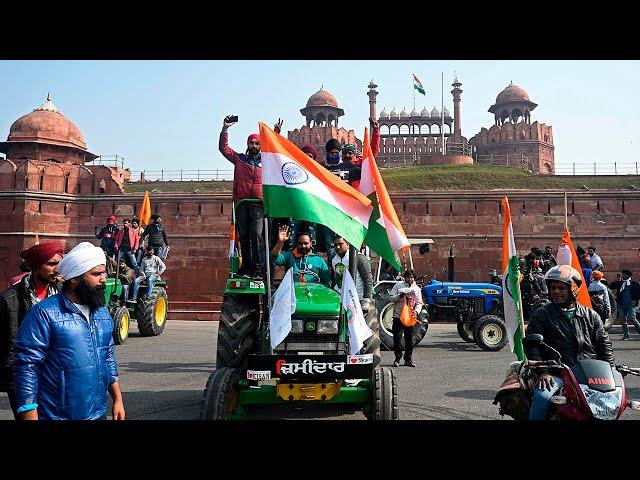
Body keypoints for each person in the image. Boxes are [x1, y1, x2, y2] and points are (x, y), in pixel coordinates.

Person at [13, 242, 125, 420]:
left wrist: (118, 399)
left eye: (103, 272)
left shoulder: (102, 313)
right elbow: (27, 366)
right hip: (57, 415)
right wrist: (29, 413)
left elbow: (108, 356)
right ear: (74, 278)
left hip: (97, 413)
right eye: (96, 274)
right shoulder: (44, 313)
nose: (103, 278)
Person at [525, 265, 614, 420]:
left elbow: (604, 345)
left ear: (573, 289)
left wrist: (611, 371)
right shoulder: (542, 314)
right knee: (542, 396)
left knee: (612, 402)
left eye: (561, 288)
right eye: (553, 288)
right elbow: (532, 346)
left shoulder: (590, 315)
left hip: (589, 375)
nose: (556, 292)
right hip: (557, 374)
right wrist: (543, 373)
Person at [0, 241, 63, 419]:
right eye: (51, 264)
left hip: (55, 373)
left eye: (59, 263)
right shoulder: (9, 299)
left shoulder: (63, 294)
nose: (57, 269)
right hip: (22, 376)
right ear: (35, 266)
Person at [219, 115, 267, 278]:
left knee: (257, 235)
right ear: (247, 144)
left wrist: (275, 134)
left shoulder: (266, 161)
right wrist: (225, 129)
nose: (253, 145)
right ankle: (247, 268)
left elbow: (277, 154)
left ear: (260, 145)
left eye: (256, 143)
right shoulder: (240, 159)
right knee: (244, 237)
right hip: (241, 202)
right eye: (251, 142)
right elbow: (224, 149)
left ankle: (259, 269)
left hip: (258, 204)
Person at [387, 269, 423, 368]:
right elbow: (390, 298)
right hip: (398, 316)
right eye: (408, 277)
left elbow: (419, 303)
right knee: (397, 338)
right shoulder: (398, 286)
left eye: (412, 277)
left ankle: (408, 359)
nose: (410, 279)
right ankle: (397, 358)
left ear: (414, 278)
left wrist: (416, 311)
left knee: (409, 339)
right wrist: (399, 296)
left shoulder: (416, 289)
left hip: (410, 317)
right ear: (405, 277)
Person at [331, 236, 373, 312]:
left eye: (340, 244)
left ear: (348, 244)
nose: (337, 247)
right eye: (335, 244)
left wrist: (366, 299)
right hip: (341, 298)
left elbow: (368, 278)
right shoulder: (334, 260)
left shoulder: (359, 257)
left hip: (357, 298)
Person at [609, 269, 640, 340]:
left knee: (632, 319)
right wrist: (616, 280)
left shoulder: (635, 284)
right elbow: (611, 286)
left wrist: (635, 300)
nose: (623, 275)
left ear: (628, 275)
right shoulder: (619, 283)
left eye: (624, 274)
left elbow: (639, 293)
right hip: (621, 304)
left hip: (631, 305)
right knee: (623, 319)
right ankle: (626, 334)